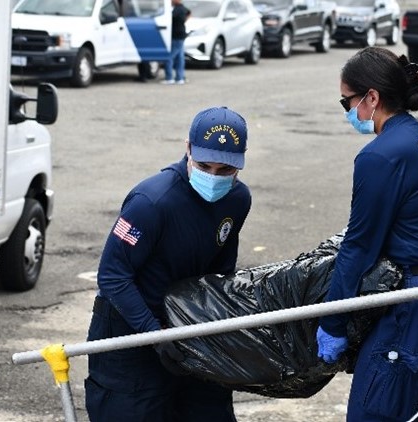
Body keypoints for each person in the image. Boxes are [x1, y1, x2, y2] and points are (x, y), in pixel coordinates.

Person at [314, 46, 418, 421]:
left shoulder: (380, 155)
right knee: (406, 412)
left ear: (371, 97)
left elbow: (359, 247)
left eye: (347, 103)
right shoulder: (417, 136)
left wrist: (332, 320)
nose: (348, 112)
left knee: (372, 415)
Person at [84, 106, 251, 421]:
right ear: (187, 149)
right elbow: (112, 276)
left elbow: (222, 272)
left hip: (189, 327)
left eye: (225, 170)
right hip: (131, 331)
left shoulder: (237, 200)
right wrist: (155, 333)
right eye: (204, 166)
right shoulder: (151, 202)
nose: (214, 177)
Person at [162, 0, 191, 85]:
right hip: (181, 35)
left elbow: (169, 19)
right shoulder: (183, 9)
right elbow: (189, 13)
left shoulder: (177, 10)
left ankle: (169, 77)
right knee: (179, 58)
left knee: (169, 57)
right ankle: (179, 78)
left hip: (176, 36)